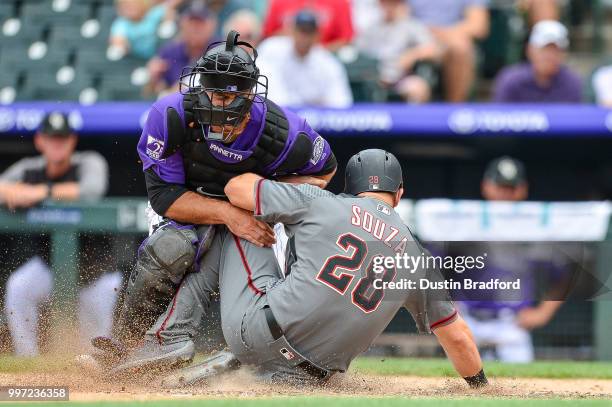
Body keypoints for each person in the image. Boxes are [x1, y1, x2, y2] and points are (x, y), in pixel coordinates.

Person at [116, 149, 488, 388]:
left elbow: (236, 190)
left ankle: (171, 337)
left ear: (351, 188)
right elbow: (457, 338)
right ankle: (237, 366)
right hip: (310, 377)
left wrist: (294, 184)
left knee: (231, 216)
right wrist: (480, 386)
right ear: (400, 193)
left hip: (259, 334)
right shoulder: (418, 259)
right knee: (294, 273)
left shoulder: (324, 202)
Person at [87, 30, 338, 367]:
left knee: (284, 267)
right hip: (190, 201)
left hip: (255, 211)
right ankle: (126, 346)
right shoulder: (171, 114)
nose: (215, 102)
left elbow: (325, 172)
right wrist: (229, 213)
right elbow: (164, 197)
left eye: (226, 96)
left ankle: (279, 353)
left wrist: (272, 199)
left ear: (250, 95)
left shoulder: (284, 133)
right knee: (170, 249)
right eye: (210, 91)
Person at [0, 112, 119, 357]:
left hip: (97, 272)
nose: (57, 143)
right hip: (49, 267)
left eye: (62, 138)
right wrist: (13, 191)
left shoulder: (87, 161)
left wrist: (40, 192)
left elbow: (91, 190)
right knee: (19, 288)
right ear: (40, 141)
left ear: (72, 140)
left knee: (93, 352)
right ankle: (28, 360)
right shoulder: (29, 167)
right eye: (52, 138)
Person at [455, 156, 565, 362]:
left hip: (512, 326)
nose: (505, 193)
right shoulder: (466, 222)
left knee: (520, 390)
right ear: (486, 186)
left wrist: (543, 312)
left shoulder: (535, 227)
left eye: (511, 188)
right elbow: (434, 266)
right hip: (467, 321)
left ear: (522, 189)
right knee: (458, 390)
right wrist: (447, 306)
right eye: (500, 186)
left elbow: (563, 275)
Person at [257, 10, 353, 108]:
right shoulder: (271, 49)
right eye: (301, 30)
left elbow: (341, 103)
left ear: (317, 35)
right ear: (292, 31)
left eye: (309, 32)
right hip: (278, 117)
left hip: (314, 120)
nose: (304, 37)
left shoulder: (328, 63)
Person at [355, 0, 440, 103]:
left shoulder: (411, 25)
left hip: (400, 77)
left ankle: (412, 118)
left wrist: (412, 55)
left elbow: (433, 49)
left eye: (394, 3)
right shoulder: (371, 28)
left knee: (417, 87)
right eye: (386, 3)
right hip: (373, 78)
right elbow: (357, 54)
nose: (389, 7)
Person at [407, 0, 490, 102]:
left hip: (448, 41)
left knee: (461, 47)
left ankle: (454, 112)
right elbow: (395, 13)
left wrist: (440, 35)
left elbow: (478, 26)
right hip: (410, 41)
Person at [493, 20, 582, 103]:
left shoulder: (573, 84)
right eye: (544, 49)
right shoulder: (511, 81)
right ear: (529, 50)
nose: (549, 56)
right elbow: (499, 115)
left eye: (556, 50)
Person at [147, 1, 218, 95]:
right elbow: (150, 93)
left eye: (201, 23)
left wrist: (181, 89)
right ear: (182, 25)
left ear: (211, 26)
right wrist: (153, 78)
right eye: (191, 23)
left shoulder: (221, 51)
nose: (195, 28)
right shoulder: (170, 51)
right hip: (177, 107)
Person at [263, 0, 354, 50]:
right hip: (284, 60)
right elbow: (267, 36)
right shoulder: (279, 2)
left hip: (324, 62)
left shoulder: (339, 3)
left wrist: (317, 53)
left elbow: (346, 40)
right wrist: (290, 33)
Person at [109, 0, 179, 60]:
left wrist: (167, 23)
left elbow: (167, 10)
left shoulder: (152, 14)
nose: (130, 9)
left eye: (133, 5)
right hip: (136, 60)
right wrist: (120, 46)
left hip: (159, 55)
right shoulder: (121, 23)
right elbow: (117, 38)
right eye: (125, 6)